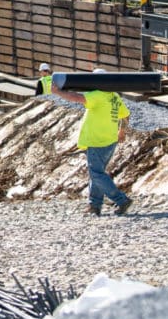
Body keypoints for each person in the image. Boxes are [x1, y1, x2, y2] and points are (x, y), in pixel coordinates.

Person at [51, 68, 134, 216]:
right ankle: (94, 206)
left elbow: (77, 98)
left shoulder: (98, 95)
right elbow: (126, 115)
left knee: (96, 174)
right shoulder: (114, 96)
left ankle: (121, 200)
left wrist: (58, 92)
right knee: (97, 173)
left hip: (97, 141)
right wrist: (122, 131)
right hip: (110, 140)